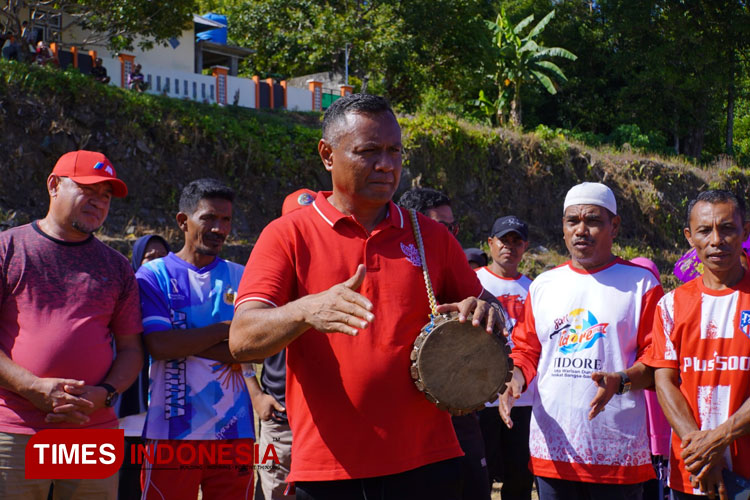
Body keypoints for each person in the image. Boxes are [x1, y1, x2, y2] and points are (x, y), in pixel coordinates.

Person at [229, 93, 504, 500]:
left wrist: (482, 310)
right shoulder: (288, 235)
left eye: (395, 151)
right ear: (327, 154)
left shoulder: (431, 237)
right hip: (328, 470)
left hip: (430, 462)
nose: (387, 165)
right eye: (369, 151)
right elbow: (241, 339)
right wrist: (307, 309)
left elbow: (492, 310)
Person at [500, 182, 664, 500]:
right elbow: (527, 349)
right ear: (563, 227)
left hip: (616, 449)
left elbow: (656, 360)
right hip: (553, 448)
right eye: (572, 221)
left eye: (593, 220)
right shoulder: (544, 285)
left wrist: (621, 380)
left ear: (614, 226)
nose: (581, 230)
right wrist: (513, 379)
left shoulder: (641, 284)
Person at [0, 150, 143, 499]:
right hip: (16, 428)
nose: (99, 202)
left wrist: (104, 395)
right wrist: (33, 386)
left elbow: (131, 349)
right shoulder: (9, 249)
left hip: (92, 430)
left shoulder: (117, 267)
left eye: (106, 196)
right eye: (89, 190)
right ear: (54, 185)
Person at [136, 179, 255, 499]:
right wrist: (224, 330)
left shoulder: (242, 275)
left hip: (236, 433)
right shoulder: (153, 275)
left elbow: (253, 349)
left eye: (226, 220)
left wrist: (187, 341)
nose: (220, 228)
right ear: (182, 221)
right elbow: (159, 346)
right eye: (209, 218)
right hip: (172, 433)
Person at [646, 190, 750, 500]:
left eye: (728, 228)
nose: (716, 239)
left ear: (746, 231)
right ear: (690, 237)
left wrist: (717, 440)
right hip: (693, 473)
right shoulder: (670, 305)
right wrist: (703, 454)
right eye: (705, 230)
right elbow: (665, 381)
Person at [398, 186, 493, 500]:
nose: (450, 235)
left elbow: (493, 307)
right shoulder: (393, 256)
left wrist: (487, 312)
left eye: (454, 227)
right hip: (401, 421)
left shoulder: (450, 260)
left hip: (457, 414)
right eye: (442, 227)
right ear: (415, 224)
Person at [247, 188, 315, 500]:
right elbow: (238, 338)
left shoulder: (336, 272)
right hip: (279, 417)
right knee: (273, 494)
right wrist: (257, 394)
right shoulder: (268, 279)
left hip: (324, 420)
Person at [476, 215, 535, 500]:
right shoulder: (474, 281)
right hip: (481, 395)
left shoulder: (536, 288)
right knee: (480, 477)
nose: (509, 247)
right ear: (490, 243)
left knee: (520, 477)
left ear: (525, 247)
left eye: (517, 241)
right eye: (504, 240)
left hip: (525, 398)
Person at [117, 234, 170, 500]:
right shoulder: (125, 298)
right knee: (127, 485)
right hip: (132, 415)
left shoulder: (177, 301)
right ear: (137, 261)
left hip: (167, 414)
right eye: (150, 257)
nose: (158, 262)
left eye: (163, 257)